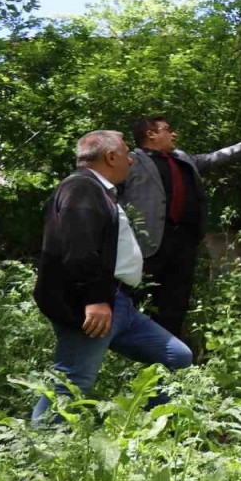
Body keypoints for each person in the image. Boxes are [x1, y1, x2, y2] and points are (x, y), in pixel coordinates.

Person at [32, 130, 193, 421]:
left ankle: (150, 425)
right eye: (127, 154)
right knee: (72, 381)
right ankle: (42, 444)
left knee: (177, 356)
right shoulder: (82, 188)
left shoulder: (98, 189)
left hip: (120, 303)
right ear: (110, 157)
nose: (131, 160)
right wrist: (94, 299)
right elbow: (79, 248)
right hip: (93, 304)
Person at [121, 116, 241, 338]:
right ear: (150, 134)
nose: (174, 134)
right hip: (148, 243)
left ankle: (168, 347)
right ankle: (130, 346)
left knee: (176, 299)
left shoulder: (182, 158)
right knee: (140, 297)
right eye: (168, 129)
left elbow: (218, 157)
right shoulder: (131, 161)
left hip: (184, 242)